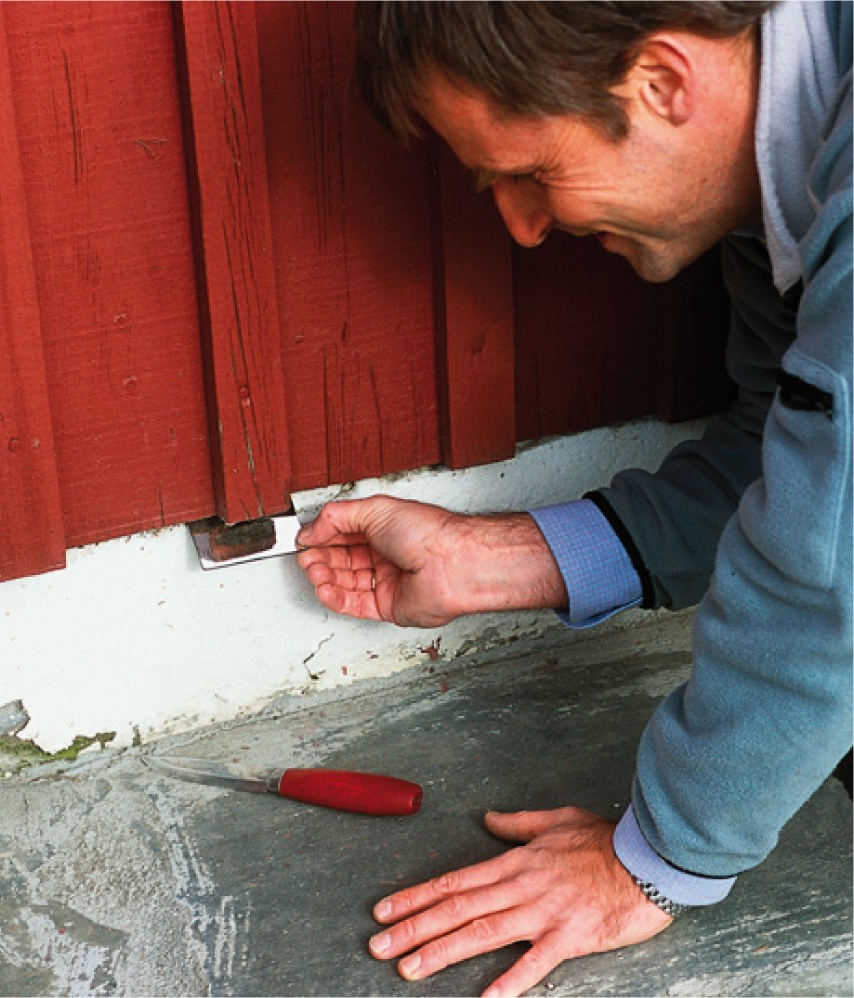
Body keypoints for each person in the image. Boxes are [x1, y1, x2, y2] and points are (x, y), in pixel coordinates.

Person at [295, 3, 852, 995]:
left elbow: (833, 551)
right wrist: (492, 559)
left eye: (527, 171)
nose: (520, 223)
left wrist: (655, 858)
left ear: (663, 83)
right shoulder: (784, 188)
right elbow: (795, 457)